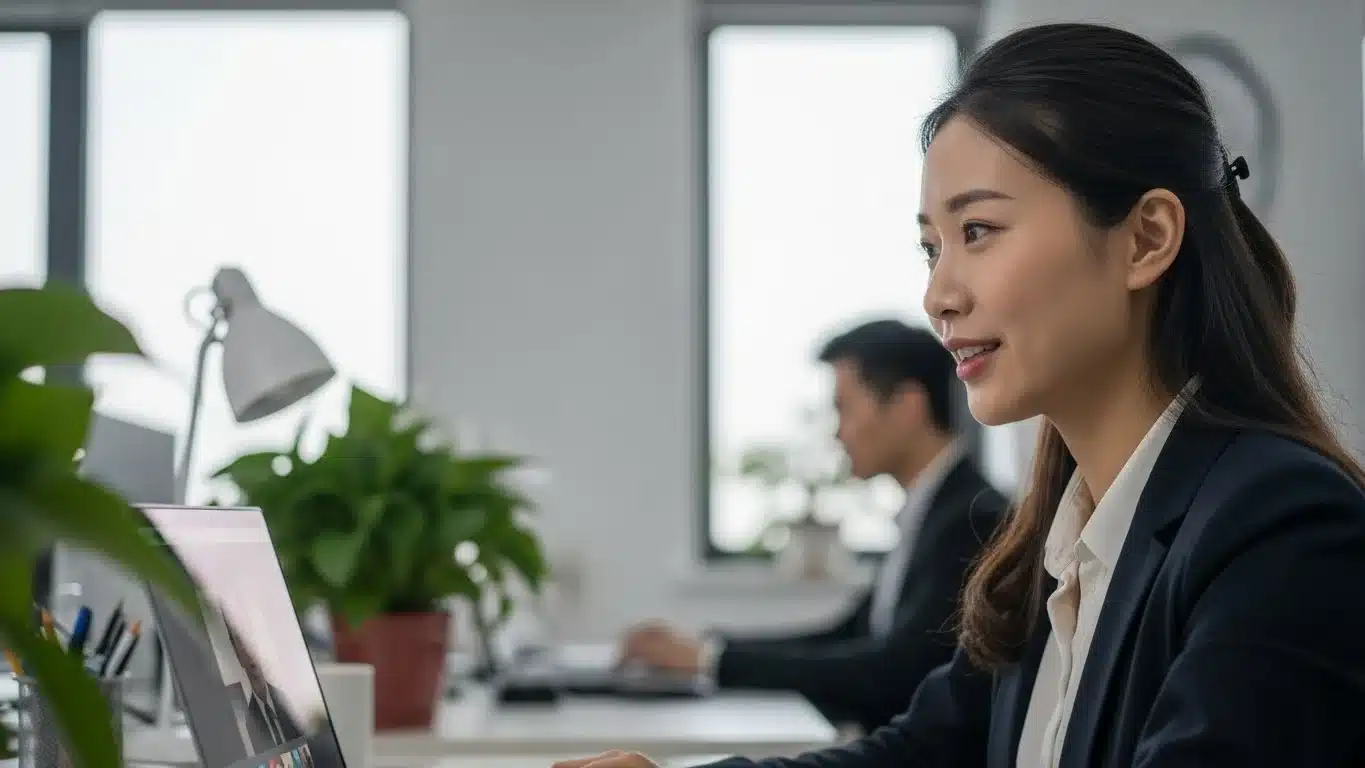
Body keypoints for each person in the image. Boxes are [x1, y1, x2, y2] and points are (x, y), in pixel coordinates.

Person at [555, 21, 1365, 768]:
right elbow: (920, 753)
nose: (938, 293)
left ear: (1145, 238)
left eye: (977, 232)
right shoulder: (1057, 540)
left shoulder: (1280, 526)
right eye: (930, 247)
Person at [620, 320, 1006, 732]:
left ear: (907, 407)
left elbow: (894, 671)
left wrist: (709, 658)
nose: (837, 433)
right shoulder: (933, 509)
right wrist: (711, 649)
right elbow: (850, 635)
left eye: (844, 408)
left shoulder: (971, 518)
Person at [223, 618, 304, 754]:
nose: (250, 649)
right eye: (241, 640)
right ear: (236, 652)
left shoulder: (293, 704)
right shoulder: (246, 724)